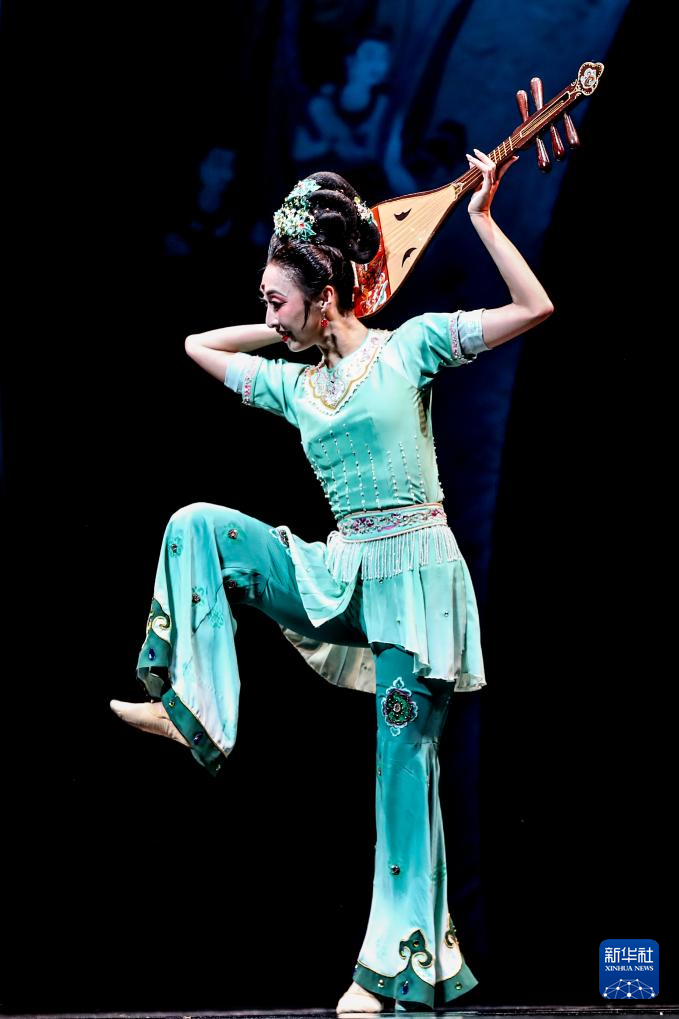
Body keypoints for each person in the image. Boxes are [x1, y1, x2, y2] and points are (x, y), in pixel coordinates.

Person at [110, 149, 553, 1013]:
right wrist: (285, 322)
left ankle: (395, 970)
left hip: (414, 586)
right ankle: (192, 707)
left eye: (276, 300)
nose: (265, 315)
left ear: (323, 294)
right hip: (340, 573)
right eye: (263, 302)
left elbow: (533, 307)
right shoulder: (296, 386)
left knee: (402, 769)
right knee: (195, 524)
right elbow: (197, 345)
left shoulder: (410, 347)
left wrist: (482, 220)